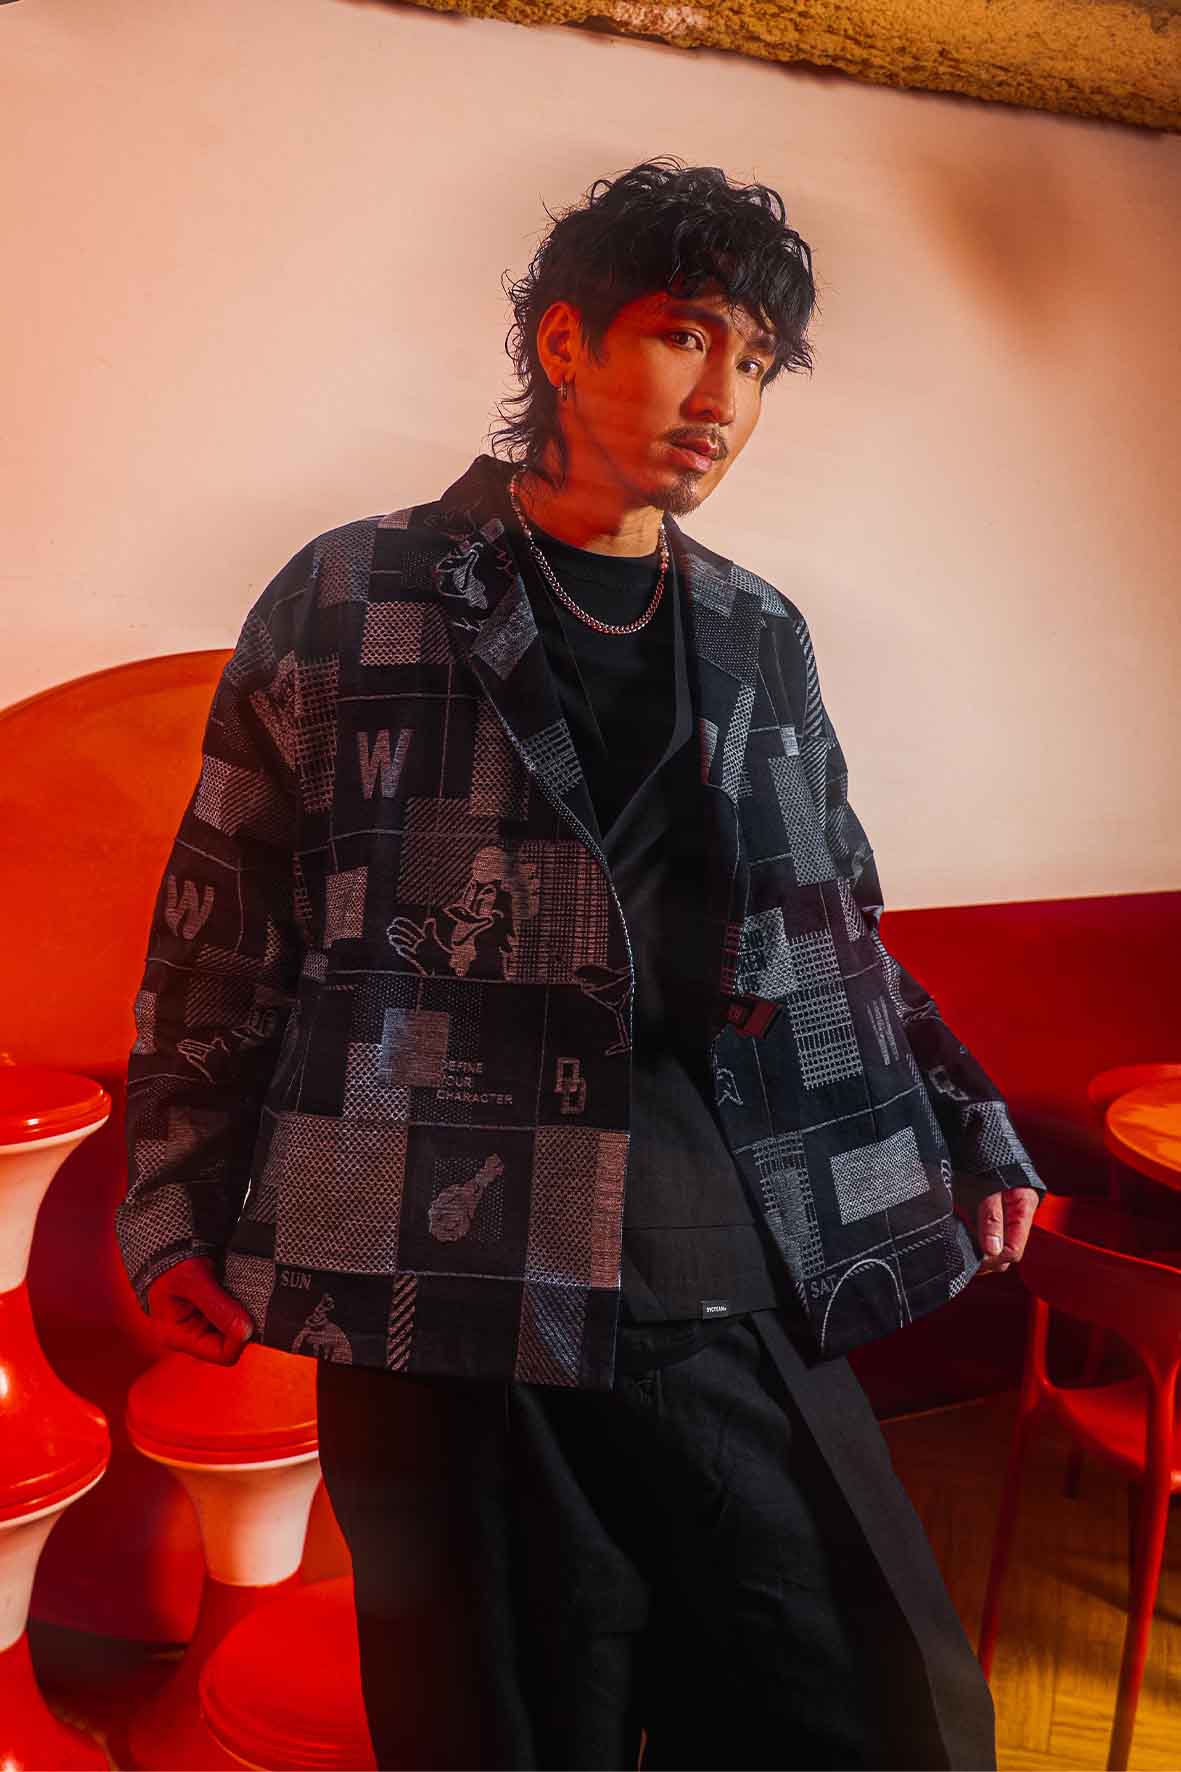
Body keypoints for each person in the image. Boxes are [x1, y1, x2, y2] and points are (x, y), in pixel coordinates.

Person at [116, 157, 1045, 1769]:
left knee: (874, 1702)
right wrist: (169, 1196)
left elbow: (837, 924)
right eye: (685, 336)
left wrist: (966, 1119)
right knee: (502, 1720)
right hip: (434, 1250)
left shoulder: (756, 631)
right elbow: (223, 920)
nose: (721, 400)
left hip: (712, 1225)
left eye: (755, 361)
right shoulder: (353, 593)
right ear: (562, 341)